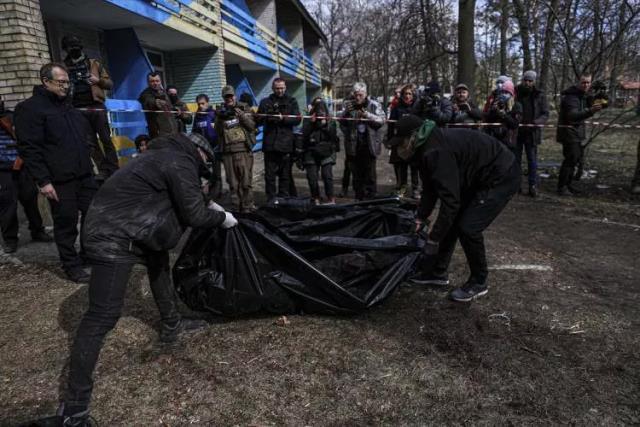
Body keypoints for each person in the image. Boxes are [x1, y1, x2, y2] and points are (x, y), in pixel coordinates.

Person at [54, 132, 238, 425]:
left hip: (127, 228)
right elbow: (194, 215)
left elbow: (181, 197)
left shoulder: (163, 155)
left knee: (159, 265)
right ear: (201, 153)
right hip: (113, 237)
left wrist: (209, 203)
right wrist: (222, 217)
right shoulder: (180, 161)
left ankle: (172, 326)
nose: (202, 172)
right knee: (102, 317)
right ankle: (74, 409)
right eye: (204, 166)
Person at [389, 115, 519, 302]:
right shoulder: (425, 148)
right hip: (475, 177)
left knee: (468, 228)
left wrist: (433, 239)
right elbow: (430, 189)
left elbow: (451, 202)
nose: (398, 149)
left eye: (400, 143)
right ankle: (437, 273)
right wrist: (420, 217)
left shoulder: (435, 151)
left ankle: (479, 281)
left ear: (412, 137)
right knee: (453, 222)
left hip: (500, 175)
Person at [14, 63, 97, 283]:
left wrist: (88, 153)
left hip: (84, 174)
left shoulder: (68, 106)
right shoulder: (30, 109)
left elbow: (83, 134)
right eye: (61, 82)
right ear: (45, 81)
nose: (66, 86)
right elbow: (29, 148)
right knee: (66, 223)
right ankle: (72, 266)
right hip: (59, 180)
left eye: (67, 82)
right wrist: (43, 181)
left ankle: (88, 255)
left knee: (94, 216)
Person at [61, 35, 119, 183]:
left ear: (81, 48)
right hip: (77, 109)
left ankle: (113, 168)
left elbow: (110, 84)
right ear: (65, 49)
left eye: (76, 47)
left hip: (96, 106)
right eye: (70, 47)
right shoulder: (63, 67)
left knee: (106, 139)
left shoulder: (93, 63)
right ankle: (102, 170)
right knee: (90, 142)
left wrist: (97, 80)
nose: (73, 50)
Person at [0, 95, 51, 253]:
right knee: (7, 206)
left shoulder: (11, 117)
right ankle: (10, 239)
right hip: (3, 171)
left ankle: (37, 231)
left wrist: (21, 158)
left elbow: (25, 139)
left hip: (21, 166)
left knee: (30, 200)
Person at [556, 74, 603, 196]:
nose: (586, 85)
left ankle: (568, 185)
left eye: (588, 83)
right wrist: (590, 111)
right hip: (569, 133)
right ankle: (562, 187)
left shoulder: (583, 96)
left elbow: (602, 103)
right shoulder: (571, 98)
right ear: (579, 82)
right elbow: (572, 116)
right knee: (570, 159)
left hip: (576, 133)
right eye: (583, 82)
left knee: (574, 159)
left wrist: (601, 94)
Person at [256, 78, 301, 202]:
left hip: (286, 144)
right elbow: (257, 120)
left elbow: (297, 119)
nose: (280, 90)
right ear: (273, 88)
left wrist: (282, 118)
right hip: (270, 145)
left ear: (285, 87)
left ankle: (284, 199)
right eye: (277, 88)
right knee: (269, 176)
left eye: (282, 88)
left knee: (285, 175)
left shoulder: (291, 101)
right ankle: (271, 200)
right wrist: (264, 115)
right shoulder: (265, 102)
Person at [340, 82, 385, 200]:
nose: (358, 97)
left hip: (370, 145)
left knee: (370, 175)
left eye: (360, 95)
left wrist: (367, 115)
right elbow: (341, 122)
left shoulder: (374, 104)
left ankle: (371, 198)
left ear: (365, 94)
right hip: (354, 145)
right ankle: (359, 198)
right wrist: (346, 114)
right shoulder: (349, 105)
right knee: (356, 175)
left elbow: (382, 121)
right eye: (356, 95)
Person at [216, 85, 256, 212]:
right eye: (226, 97)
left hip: (243, 149)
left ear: (235, 96)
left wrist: (243, 116)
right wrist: (219, 118)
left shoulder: (244, 107)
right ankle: (236, 208)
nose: (229, 99)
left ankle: (248, 206)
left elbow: (251, 127)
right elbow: (217, 131)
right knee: (233, 184)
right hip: (228, 152)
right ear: (223, 98)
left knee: (245, 182)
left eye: (231, 96)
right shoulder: (221, 110)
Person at [515, 70, 549, 197]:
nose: (527, 83)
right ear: (522, 80)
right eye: (525, 80)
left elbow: (545, 113)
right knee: (516, 160)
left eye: (530, 81)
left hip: (532, 133)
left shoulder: (539, 94)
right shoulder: (516, 92)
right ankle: (516, 185)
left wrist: (537, 122)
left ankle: (532, 186)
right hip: (517, 132)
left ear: (534, 82)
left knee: (532, 160)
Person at [302, 97, 340, 204]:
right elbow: (304, 134)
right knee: (312, 177)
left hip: (326, 150)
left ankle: (330, 198)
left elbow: (333, 136)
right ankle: (316, 197)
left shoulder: (329, 119)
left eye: (321, 105)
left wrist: (325, 124)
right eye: (317, 105)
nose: (319, 109)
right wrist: (311, 123)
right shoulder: (308, 118)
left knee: (327, 175)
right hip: (311, 150)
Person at [387, 84, 420, 198]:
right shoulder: (396, 108)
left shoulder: (417, 108)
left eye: (409, 94)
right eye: (405, 94)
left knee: (415, 167)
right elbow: (391, 125)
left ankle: (416, 189)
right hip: (401, 141)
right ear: (402, 95)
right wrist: (390, 140)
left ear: (413, 95)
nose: (407, 96)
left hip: (414, 141)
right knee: (402, 167)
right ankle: (403, 188)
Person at [193, 94, 222, 200]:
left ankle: (218, 194)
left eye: (203, 103)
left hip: (215, 147)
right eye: (199, 104)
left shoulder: (213, 114)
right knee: (206, 174)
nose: (201, 106)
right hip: (203, 149)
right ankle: (208, 194)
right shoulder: (197, 115)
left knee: (217, 173)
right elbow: (194, 132)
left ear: (208, 103)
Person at [483, 77, 522, 151]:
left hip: (509, 140)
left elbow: (515, 124)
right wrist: (493, 111)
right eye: (502, 92)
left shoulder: (516, 105)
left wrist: (504, 115)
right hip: (495, 139)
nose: (504, 94)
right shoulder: (496, 103)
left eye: (506, 92)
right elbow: (487, 118)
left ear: (511, 94)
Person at [138, 71, 179, 139]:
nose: (155, 83)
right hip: (159, 134)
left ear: (160, 81)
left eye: (157, 81)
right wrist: (156, 102)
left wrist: (175, 109)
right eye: (152, 81)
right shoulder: (145, 94)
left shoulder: (164, 93)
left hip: (173, 131)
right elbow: (149, 102)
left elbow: (172, 106)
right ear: (148, 82)